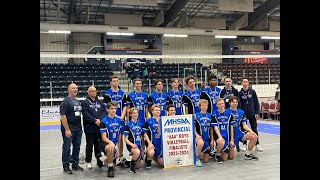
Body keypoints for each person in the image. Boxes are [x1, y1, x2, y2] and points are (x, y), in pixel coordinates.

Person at [60, 83, 84, 174]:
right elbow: (63, 116)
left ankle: (75, 164)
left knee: (77, 147)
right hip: (69, 129)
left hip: (78, 129)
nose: (75, 90)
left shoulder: (77, 101)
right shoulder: (65, 102)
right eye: (73, 88)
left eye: (76, 88)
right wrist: (67, 129)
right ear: (69, 90)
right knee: (67, 147)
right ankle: (66, 166)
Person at [103, 75, 127, 165]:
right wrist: (115, 116)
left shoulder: (122, 93)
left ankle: (120, 156)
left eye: (117, 81)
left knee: (120, 137)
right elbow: (107, 107)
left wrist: (122, 116)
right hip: (112, 119)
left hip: (121, 118)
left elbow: (125, 106)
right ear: (110, 82)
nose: (116, 83)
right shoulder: (107, 94)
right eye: (114, 81)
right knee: (112, 137)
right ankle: (112, 156)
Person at [81, 86, 105, 169]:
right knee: (90, 145)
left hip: (99, 128)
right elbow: (85, 114)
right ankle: (88, 161)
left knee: (98, 145)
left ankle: (98, 159)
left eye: (95, 91)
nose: (94, 92)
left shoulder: (99, 102)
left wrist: (100, 120)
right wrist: (94, 120)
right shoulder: (85, 102)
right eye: (92, 91)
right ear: (88, 92)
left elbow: (104, 111)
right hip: (90, 128)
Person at [228, 96, 259, 160]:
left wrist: (251, 131)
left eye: (236, 102)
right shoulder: (226, 112)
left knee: (254, 136)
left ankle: (248, 154)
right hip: (229, 135)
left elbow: (244, 125)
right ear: (229, 103)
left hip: (239, 133)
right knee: (230, 157)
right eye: (233, 102)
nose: (235, 103)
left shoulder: (241, 112)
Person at [238, 78, 263, 152]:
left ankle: (257, 144)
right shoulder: (240, 93)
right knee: (244, 130)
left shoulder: (252, 92)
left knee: (254, 129)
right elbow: (239, 104)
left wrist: (257, 113)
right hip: (244, 115)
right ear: (242, 83)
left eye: (246, 82)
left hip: (252, 113)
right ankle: (244, 144)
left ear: (248, 83)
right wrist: (240, 114)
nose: (245, 83)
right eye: (244, 82)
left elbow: (256, 103)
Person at [99, 102, 122, 177]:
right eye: (111, 108)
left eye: (115, 108)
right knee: (110, 148)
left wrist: (119, 150)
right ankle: (110, 169)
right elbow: (104, 137)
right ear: (107, 109)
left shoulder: (119, 120)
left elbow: (119, 136)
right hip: (104, 142)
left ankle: (103, 160)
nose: (114, 110)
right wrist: (111, 143)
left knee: (114, 165)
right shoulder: (103, 121)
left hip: (113, 144)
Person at [211, 98, 235, 163]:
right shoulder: (214, 114)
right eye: (219, 104)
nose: (221, 105)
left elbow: (231, 127)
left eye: (222, 103)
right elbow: (215, 127)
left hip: (227, 136)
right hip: (219, 136)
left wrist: (232, 140)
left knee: (231, 157)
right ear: (216, 105)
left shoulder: (229, 114)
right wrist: (220, 137)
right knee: (221, 142)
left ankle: (219, 150)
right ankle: (217, 154)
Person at [193, 99, 214, 166]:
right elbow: (193, 127)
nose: (205, 106)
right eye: (203, 105)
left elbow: (211, 128)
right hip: (199, 137)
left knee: (205, 160)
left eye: (206, 105)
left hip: (207, 138)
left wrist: (212, 139)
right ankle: (196, 158)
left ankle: (199, 153)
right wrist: (196, 135)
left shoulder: (210, 116)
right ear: (200, 106)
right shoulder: (195, 116)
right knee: (200, 143)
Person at [124, 108, 145, 173]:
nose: (136, 114)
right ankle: (131, 167)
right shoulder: (128, 125)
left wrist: (143, 149)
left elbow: (142, 137)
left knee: (138, 166)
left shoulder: (141, 124)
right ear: (130, 114)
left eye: (137, 113)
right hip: (131, 145)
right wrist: (132, 145)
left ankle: (128, 161)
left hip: (139, 145)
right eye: (134, 113)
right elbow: (125, 139)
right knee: (136, 152)